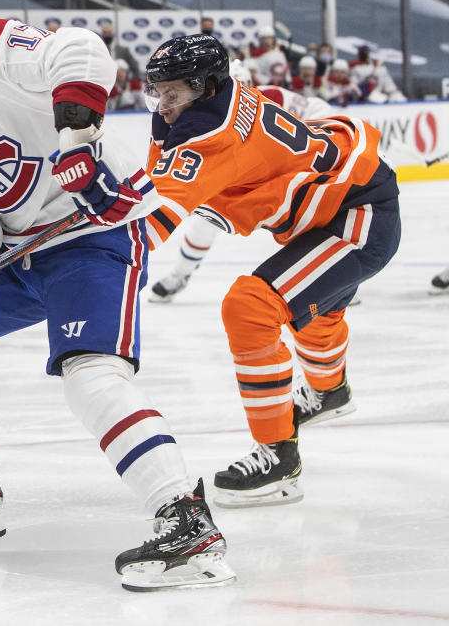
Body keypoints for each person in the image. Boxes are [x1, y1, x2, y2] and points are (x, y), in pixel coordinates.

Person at [0, 0, 235, 591]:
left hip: (91, 236)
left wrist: (77, 143)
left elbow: (84, 52)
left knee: (90, 376)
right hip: (16, 254)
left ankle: (186, 521)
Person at [142, 34, 400, 508]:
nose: (162, 106)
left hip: (358, 219)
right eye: (157, 92)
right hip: (342, 203)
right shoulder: (226, 101)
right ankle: (329, 392)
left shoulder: (211, 136)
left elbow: (149, 218)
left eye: (172, 93)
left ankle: (279, 458)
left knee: (250, 307)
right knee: (319, 315)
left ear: (206, 87)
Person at [148, 59, 332, 303]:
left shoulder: (271, 96)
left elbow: (316, 108)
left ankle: (332, 278)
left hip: (276, 175)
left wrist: (313, 135)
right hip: (235, 175)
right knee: (205, 220)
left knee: (309, 218)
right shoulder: (199, 118)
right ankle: (179, 275)